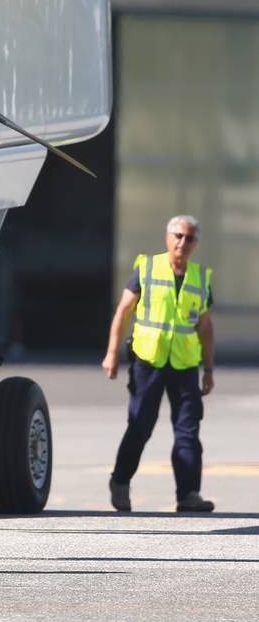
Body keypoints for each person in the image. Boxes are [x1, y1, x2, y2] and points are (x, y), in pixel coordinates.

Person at [101, 215, 216, 513]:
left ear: (195, 243)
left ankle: (189, 495)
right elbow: (123, 311)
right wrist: (112, 352)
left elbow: (205, 328)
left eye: (189, 238)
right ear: (167, 237)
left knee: (188, 432)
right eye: (178, 236)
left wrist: (209, 370)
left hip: (184, 365)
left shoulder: (200, 278)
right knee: (141, 426)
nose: (183, 243)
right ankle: (120, 481)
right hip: (148, 360)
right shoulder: (148, 268)